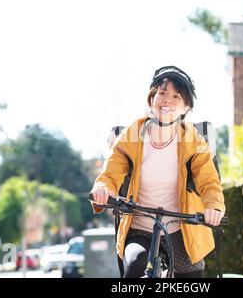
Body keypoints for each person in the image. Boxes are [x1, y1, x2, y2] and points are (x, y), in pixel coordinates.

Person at [89, 65, 225, 278]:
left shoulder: (192, 140)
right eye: (162, 93)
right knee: (135, 266)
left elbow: (208, 180)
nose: (167, 100)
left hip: (183, 227)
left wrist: (214, 207)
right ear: (151, 98)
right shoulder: (133, 134)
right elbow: (112, 171)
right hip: (140, 226)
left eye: (176, 96)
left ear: (186, 107)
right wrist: (102, 188)